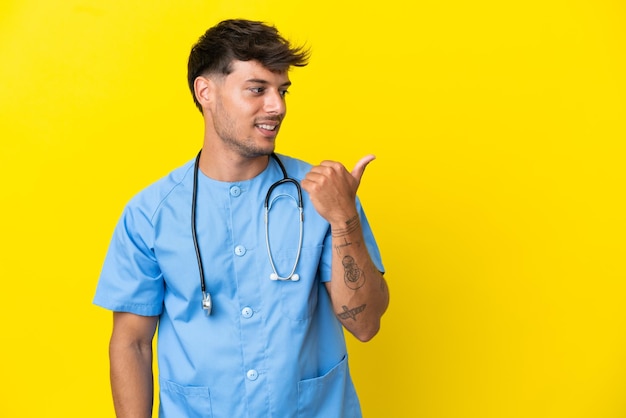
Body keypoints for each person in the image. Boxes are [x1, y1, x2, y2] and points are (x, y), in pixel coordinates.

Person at [93, 18, 389, 418]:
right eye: (257, 90)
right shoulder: (150, 214)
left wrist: (343, 219)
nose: (278, 106)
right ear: (206, 91)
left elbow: (366, 325)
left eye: (282, 91)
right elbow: (132, 343)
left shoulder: (323, 196)